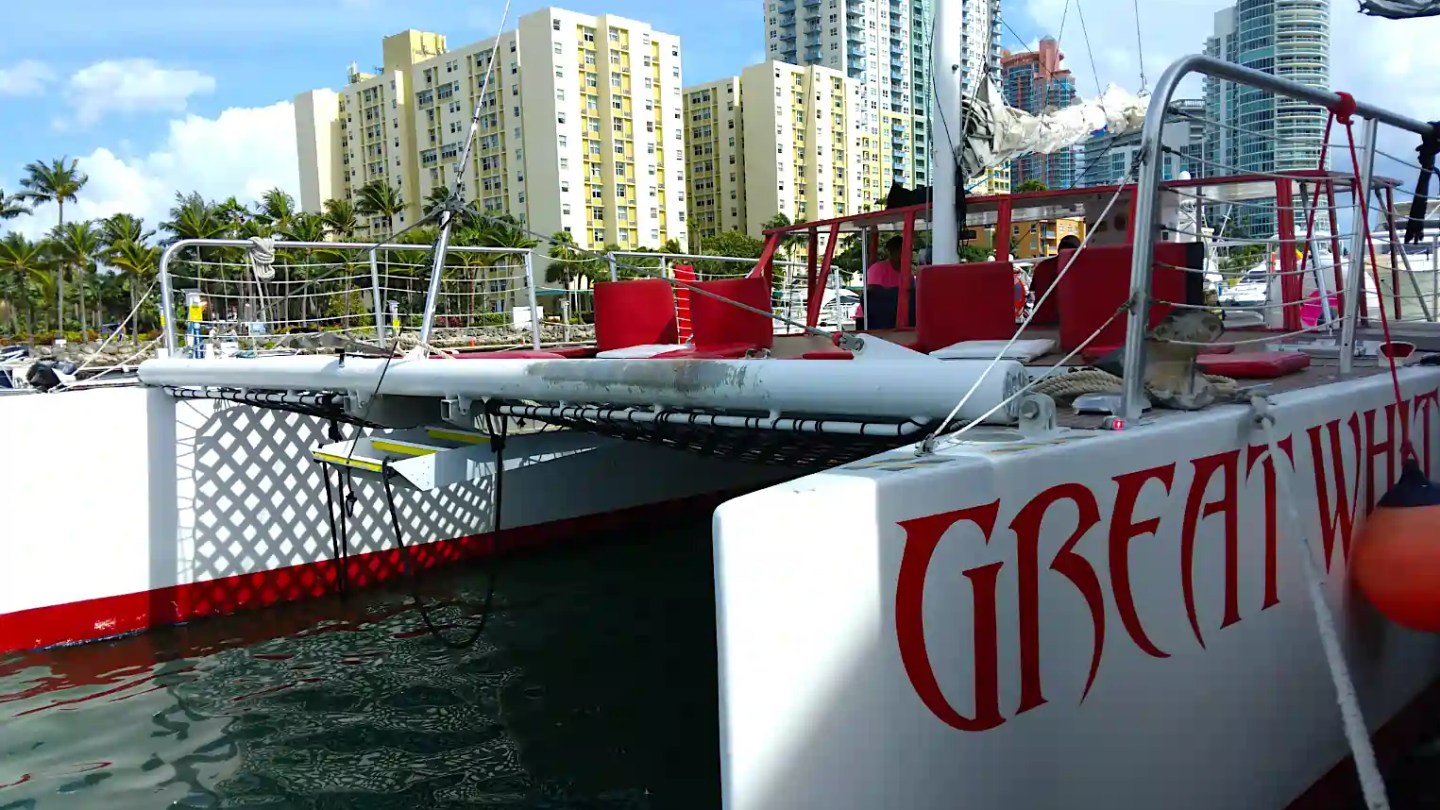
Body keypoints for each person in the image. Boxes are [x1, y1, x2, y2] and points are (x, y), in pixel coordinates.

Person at [863, 236, 915, 330]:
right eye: (902, 251)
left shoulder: (908, 274)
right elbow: (873, 296)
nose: (910, 254)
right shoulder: (878, 269)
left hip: (898, 317)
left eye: (910, 251)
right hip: (873, 318)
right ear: (891, 251)